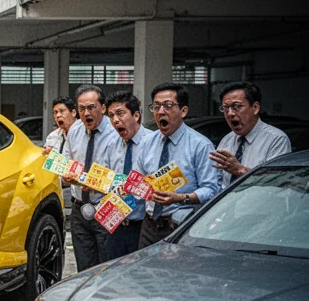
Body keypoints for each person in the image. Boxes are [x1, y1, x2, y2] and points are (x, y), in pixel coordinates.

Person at [136, 83, 222, 248]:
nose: (161, 111)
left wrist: (182, 198)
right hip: (149, 225)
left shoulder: (200, 145)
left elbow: (212, 189)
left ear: (183, 111)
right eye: (156, 106)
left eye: (168, 106)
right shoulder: (147, 142)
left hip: (180, 227)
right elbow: (139, 179)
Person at [61, 85, 118, 271]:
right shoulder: (75, 130)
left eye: (92, 107)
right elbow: (67, 162)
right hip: (79, 207)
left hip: (107, 205)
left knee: (107, 266)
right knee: (84, 268)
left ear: (103, 108)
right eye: (82, 109)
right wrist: (67, 175)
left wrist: (94, 183)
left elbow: (121, 176)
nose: (86, 113)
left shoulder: (116, 133)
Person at [209, 81, 290, 186]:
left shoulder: (276, 140)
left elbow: (276, 183)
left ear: (255, 108)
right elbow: (218, 180)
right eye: (225, 108)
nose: (230, 113)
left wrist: (240, 170)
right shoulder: (227, 140)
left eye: (236, 106)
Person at [104, 91, 154, 260]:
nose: (115, 120)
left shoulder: (153, 142)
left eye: (120, 113)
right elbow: (110, 179)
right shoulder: (112, 145)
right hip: (116, 222)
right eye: (111, 116)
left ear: (136, 115)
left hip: (144, 225)